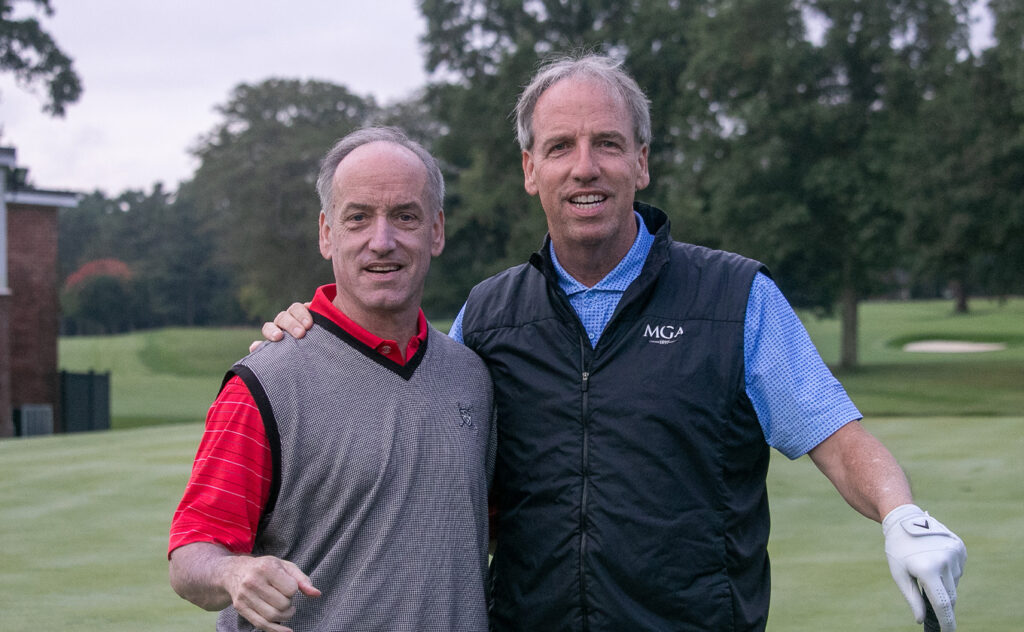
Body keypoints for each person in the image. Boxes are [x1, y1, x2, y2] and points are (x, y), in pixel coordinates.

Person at [262, 55, 966, 631]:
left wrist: (901, 512)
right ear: (530, 170)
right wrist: (314, 331)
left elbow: (837, 438)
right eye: (560, 147)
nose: (585, 167)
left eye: (606, 143)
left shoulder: (734, 299)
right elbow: (411, 404)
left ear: (641, 162)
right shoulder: (489, 313)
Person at [169, 126, 495, 632]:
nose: (381, 241)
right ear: (327, 233)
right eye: (358, 218)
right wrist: (235, 572)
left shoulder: (471, 376)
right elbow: (192, 553)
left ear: (436, 231)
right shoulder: (267, 382)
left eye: (405, 216)